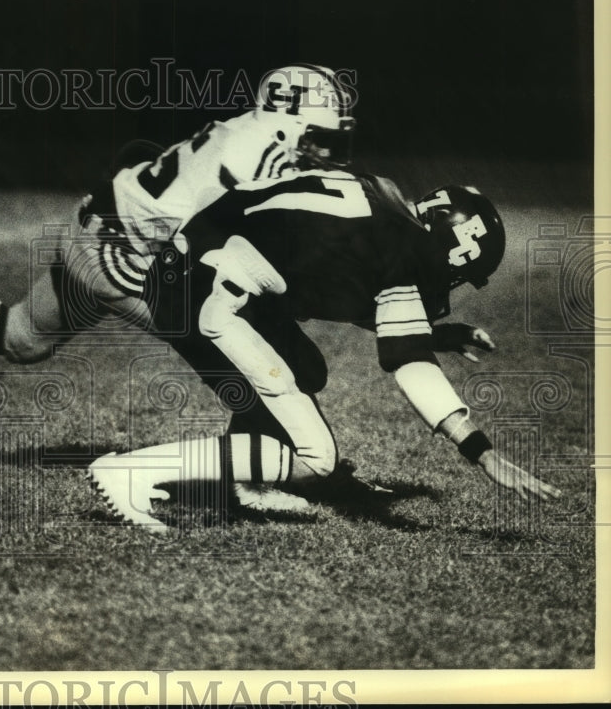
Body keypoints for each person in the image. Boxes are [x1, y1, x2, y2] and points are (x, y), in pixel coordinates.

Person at [85, 171, 562, 533]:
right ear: (450, 248)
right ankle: (129, 471)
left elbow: (342, 289)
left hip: (204, 263)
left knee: (304, 368)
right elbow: (412, 368)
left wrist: (436, 334)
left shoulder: (382, 195)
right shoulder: (406, 250)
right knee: (317, 458)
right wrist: (482, 452)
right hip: (211, 292)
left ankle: (246, 484)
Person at [0, 64, 359, 361]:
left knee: (23, 338)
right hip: (120, 255)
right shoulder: (261, 152)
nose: (330, 149)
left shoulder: (249, 132)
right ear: (291, 120)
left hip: (97, 226)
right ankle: (265, 469)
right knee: (233, 347)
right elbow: (236, 246)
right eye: (323, 136)